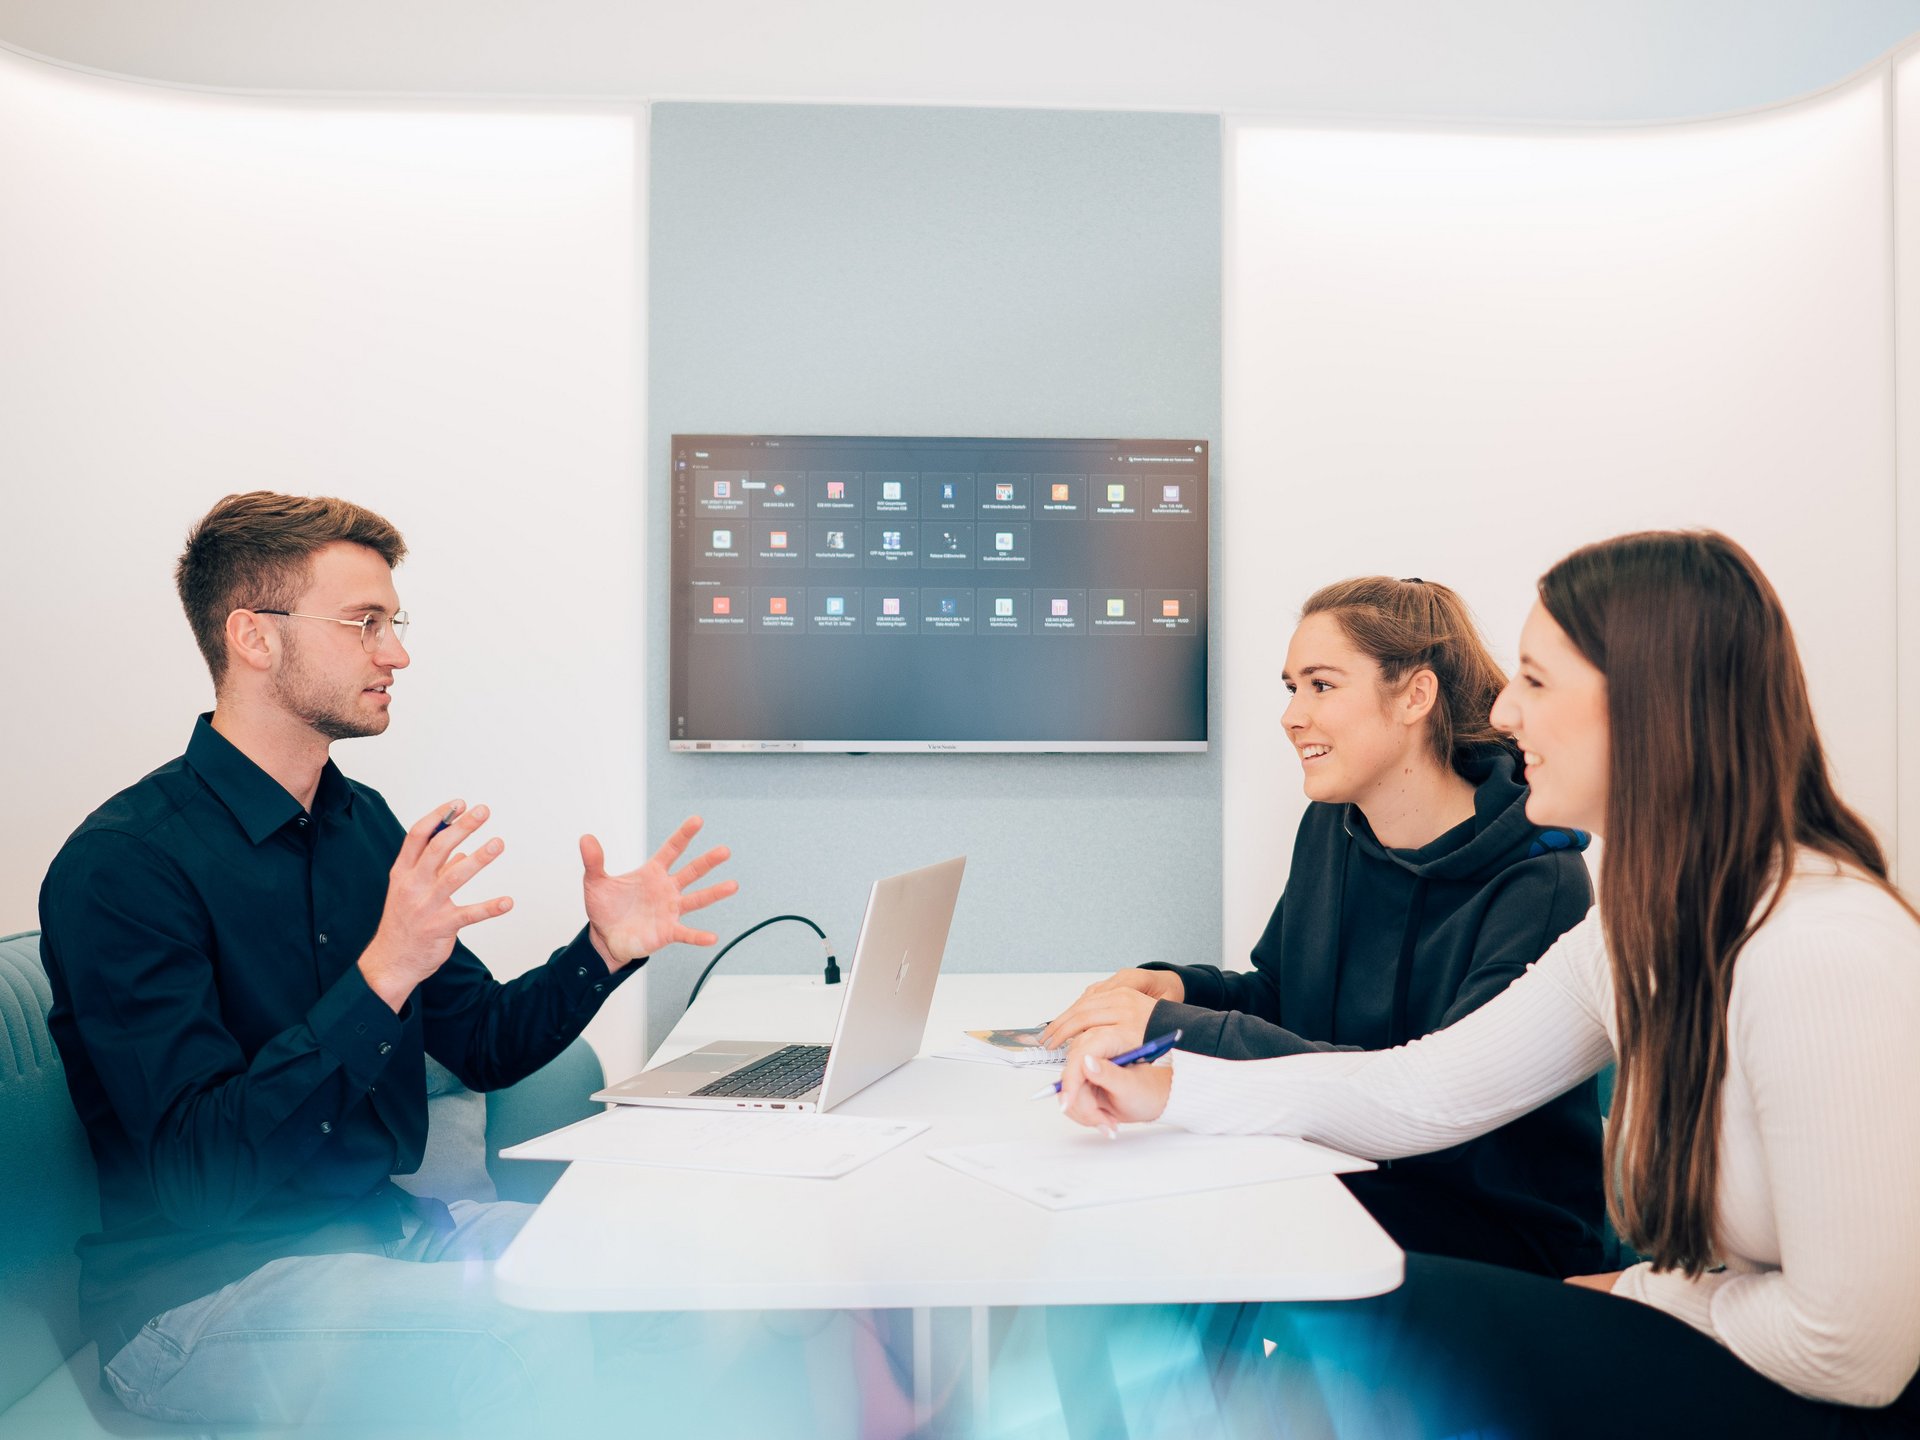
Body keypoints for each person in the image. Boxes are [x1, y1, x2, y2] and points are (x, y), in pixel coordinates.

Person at [1061, 531, 1920, 1437]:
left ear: (1651, 708)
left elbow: (1854, 1352)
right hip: (1720, 1333)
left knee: (1350, 1308)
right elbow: (1419, 1089)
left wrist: (1640, 1296)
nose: (1504, 712)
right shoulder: (1639, 934)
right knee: (1304, 1289)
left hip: (1826, 1403)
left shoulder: (1823, 953)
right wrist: (1171, 1088)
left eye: (1538, 682)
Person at [39, 492, 738, 1429]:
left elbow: (481, 1042)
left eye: (393, 624)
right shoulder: (123, 867)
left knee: (669, 1275)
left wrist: (603, 951)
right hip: (195, 1299)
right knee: (514, 1329)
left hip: (381, 1241)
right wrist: (381, 977)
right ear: (253, 636)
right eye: (364, 624)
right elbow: (198, 1176)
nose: (397, 654)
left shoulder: (358, 825)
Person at [1041, 576, 1605, 1277]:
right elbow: (1284, 996)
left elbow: (1440, 1115)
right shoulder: (1333, 826)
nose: (1292, 716)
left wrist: (1171, 1030)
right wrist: (1180, 992)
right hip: (1343, 1165)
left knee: (1175, 1229)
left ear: (1414, 696)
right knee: (1128, 1202)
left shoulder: (1538, 879)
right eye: (1291, 688)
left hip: (1487, 1226)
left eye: (1321, 685)